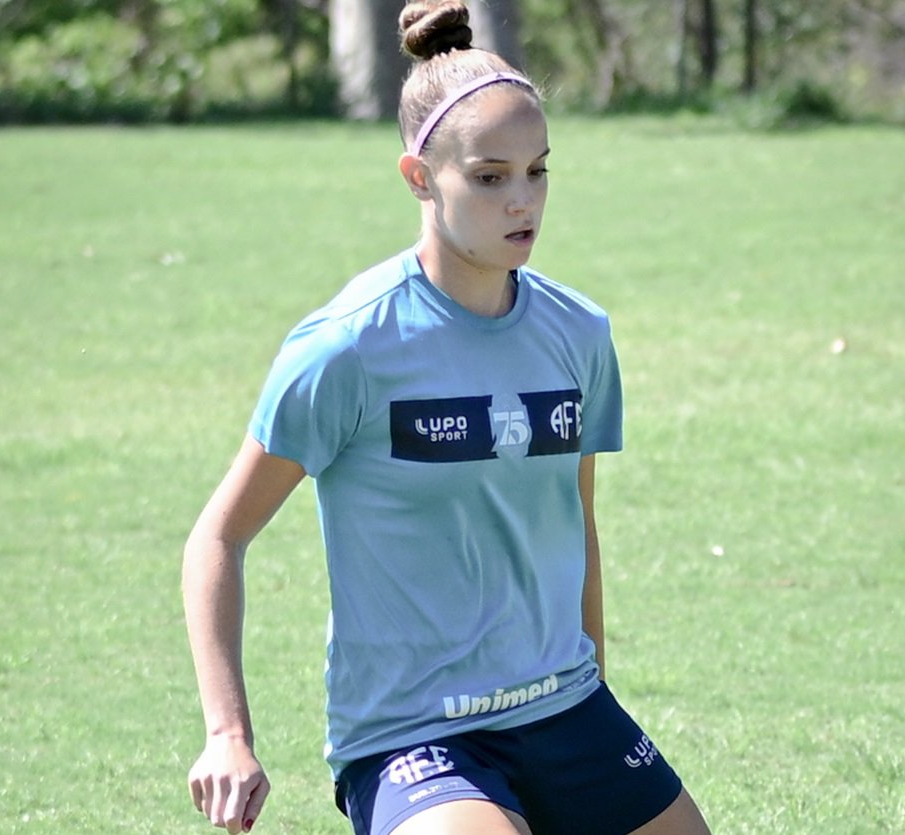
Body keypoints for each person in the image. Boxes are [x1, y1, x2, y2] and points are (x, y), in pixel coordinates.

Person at [183, 2, 713, 833]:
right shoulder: (345, 349)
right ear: (420, 177)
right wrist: (227, 735)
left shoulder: (579, 334)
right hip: (415, 734)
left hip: (564, 708)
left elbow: (577, 524)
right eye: (491, 176)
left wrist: (595, 701)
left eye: (539, 171)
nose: (523, 200)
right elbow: (218, 537)